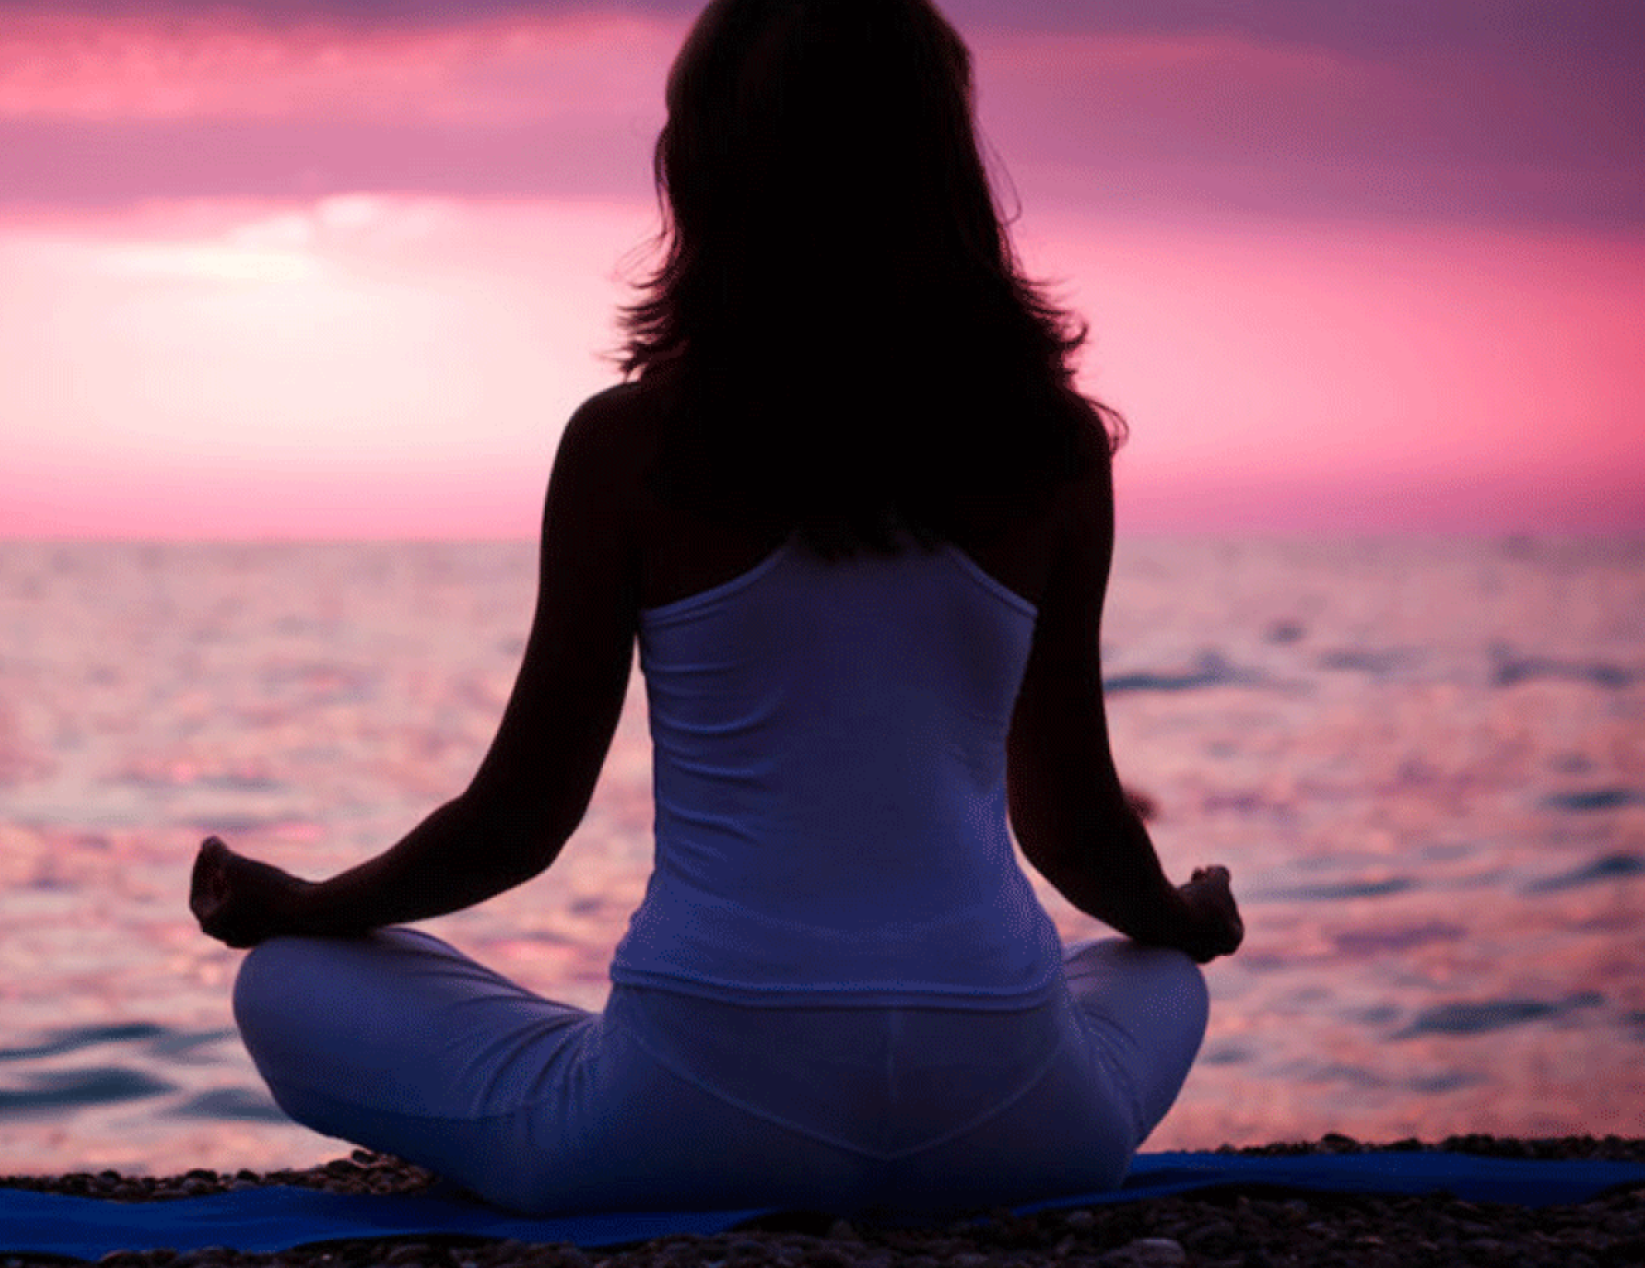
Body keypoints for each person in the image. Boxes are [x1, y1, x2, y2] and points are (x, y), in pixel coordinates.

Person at [188, 0, 1242, 1219]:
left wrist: (304, 906)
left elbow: (519, 821)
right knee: (1153, 970)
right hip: (1015, 1117)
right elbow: (1074, 819)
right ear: (946, 171)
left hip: (693, 1111)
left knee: (287, 983)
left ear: (705, 173)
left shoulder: (628, 447)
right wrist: (1182, 916)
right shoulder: (1053, 451)